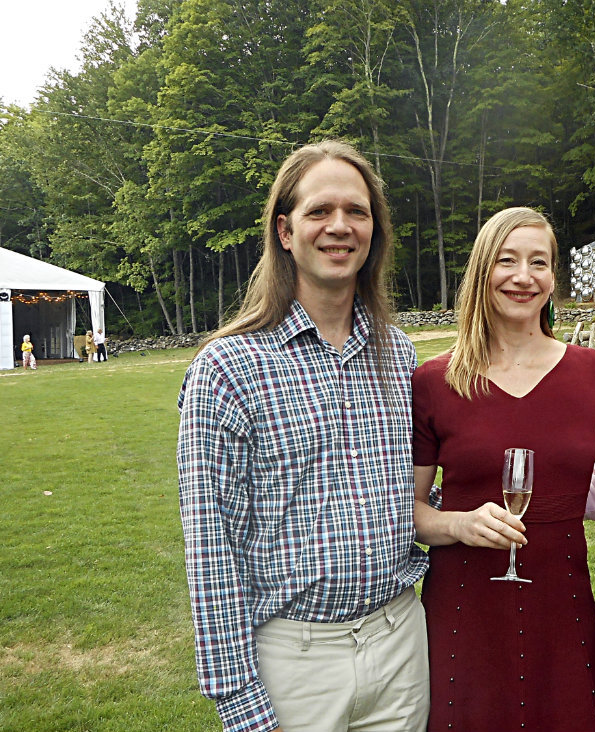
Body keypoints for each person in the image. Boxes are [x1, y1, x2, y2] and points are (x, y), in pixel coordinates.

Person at [176, 140, 429, 732]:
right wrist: (241, 702)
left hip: (400, 644)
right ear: (285, 232)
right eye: (320, 211)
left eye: (357, 211)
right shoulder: (227, 369)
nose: (340, 226)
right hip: (295, 662)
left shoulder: (399, 356)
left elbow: (406, 494)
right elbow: (211, 549)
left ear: (374, 231)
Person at [411, 207, 595, 732]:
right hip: (465, 606)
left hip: (561, 602)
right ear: (482, 271)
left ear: (553, 276)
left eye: (539, 262)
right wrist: (458, 523)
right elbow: (406, 512)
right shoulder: (435, 381)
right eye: (507, 261)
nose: (523, 276)